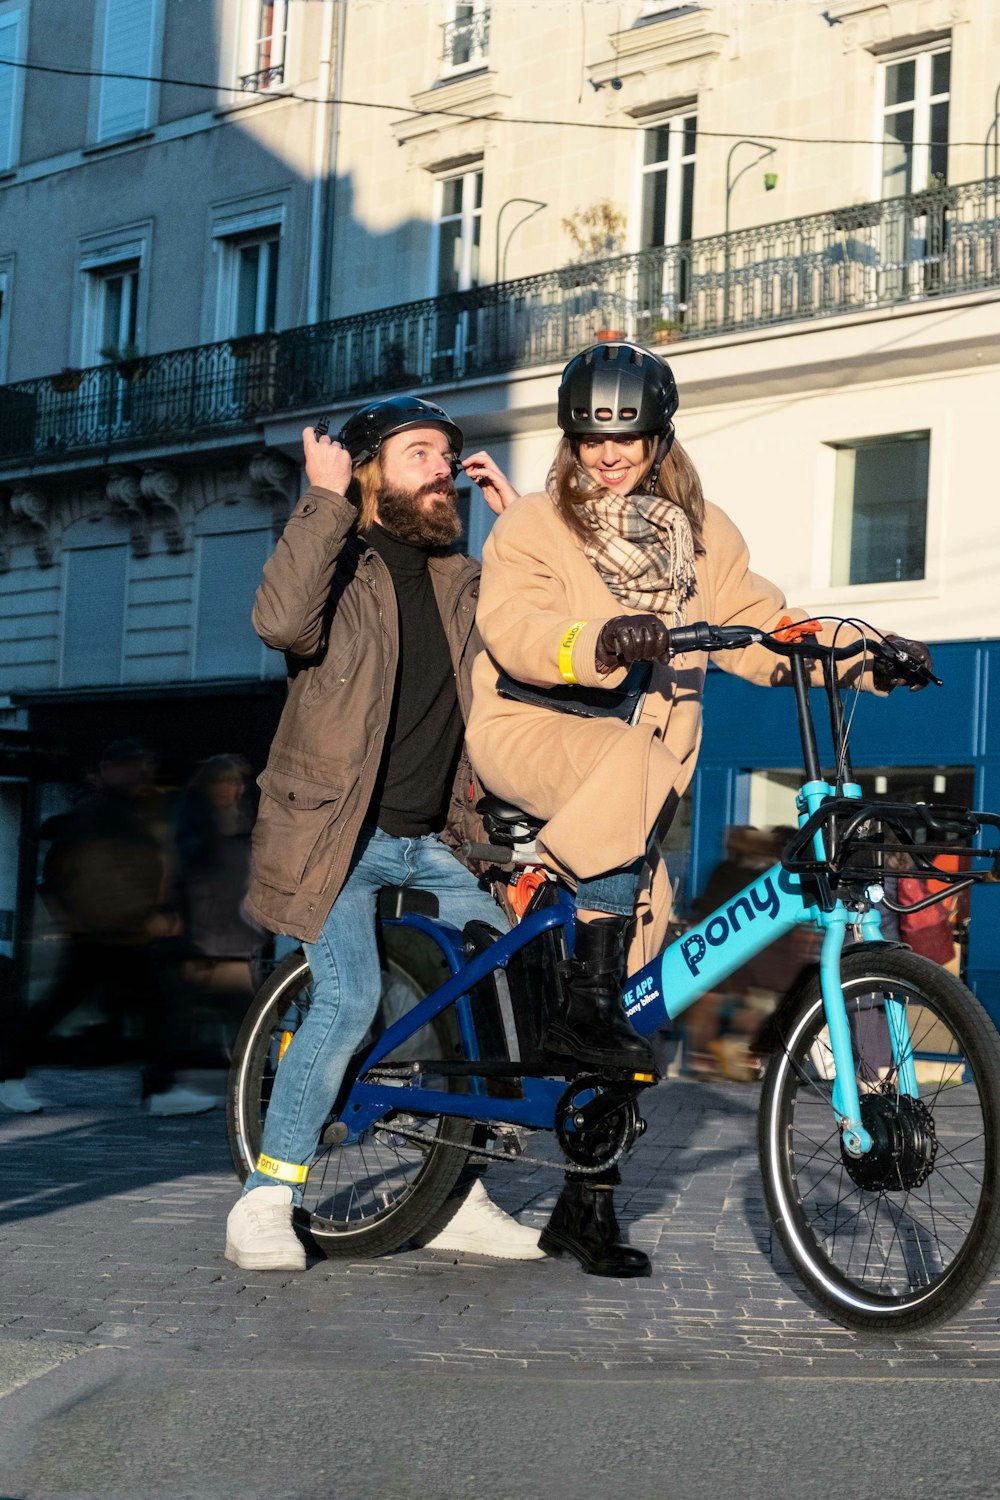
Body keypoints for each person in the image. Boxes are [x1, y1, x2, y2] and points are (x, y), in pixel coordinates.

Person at [465, 339, 932, 1277]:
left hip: (632, 790)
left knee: (646, 1005)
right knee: (624, 772)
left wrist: (866, 650)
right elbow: (513, 631)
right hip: (535, 732)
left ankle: (585, 1207)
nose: (608, 456)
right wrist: (601, 638)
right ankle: (580, 1003)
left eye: (627, 437)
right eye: (591, 438)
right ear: (570, 439)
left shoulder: (701, 531)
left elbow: (766, 627)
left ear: (657, 434)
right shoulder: (534, 528)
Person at [224, 396, 544, 1271]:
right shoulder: (340, 560)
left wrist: (524, 536)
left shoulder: (461, 579)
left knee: (495, 993)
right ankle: (268, 1193)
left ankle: (454, 1191)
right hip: (335, 839)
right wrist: (322, 500)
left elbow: (528, 645)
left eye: (449, 453)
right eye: (419, 453)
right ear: (370, 471)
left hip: (432, 838)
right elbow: (280, 622)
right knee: (349, 998)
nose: (443, 466)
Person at [0, 740, 213, 1116]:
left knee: (149, 1006)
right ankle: (9, 1075)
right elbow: (94, 876)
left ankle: (159, 1089)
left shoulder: (122, 813)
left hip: (113, 933)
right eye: (131, 766)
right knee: (140, 1005)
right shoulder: (99, 815)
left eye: (144, 766)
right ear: (108, 770)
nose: (140, 773)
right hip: (106, 933)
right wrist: (142, 915)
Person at [171, 754, 265, 1056]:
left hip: (234, 938)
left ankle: (243, 1081)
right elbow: (186, 873)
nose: (231, 789)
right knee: (183, 1015)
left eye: (235, 782)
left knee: (244, 1018)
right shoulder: (194, 822)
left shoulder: (244, 821)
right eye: (223, 782)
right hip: (203, 937)